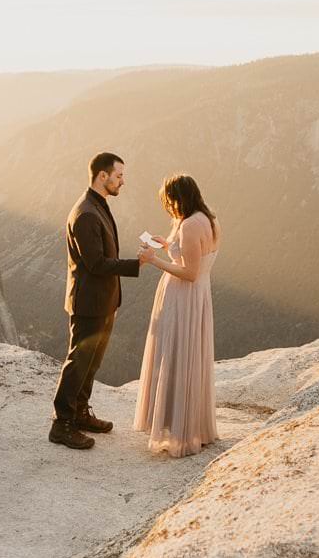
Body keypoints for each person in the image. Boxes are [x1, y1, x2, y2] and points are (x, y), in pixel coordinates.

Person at [50, 152, 156, 449]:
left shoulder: (97, 205)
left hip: (103, 301)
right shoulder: (86, 213)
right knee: (78, 362)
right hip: (88, 302)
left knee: (92, 362)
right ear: (102, 176)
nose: (123, 181)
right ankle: (61, 424)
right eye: (119, 176)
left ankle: (80, 413)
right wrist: (137, 263)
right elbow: (96, 264)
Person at [132, 173, 220, 457]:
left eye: (169, 201)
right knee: (189, 357)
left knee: (176, 357)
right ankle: (192, 425)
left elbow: (190, 272)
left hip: (183, 298)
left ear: (177, 198)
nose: (168, 207)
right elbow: (195, 258)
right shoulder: (208, 219)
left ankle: (178, 430)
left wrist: (153, 259)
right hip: (198, 298)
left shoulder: (190, 225)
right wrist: (169, 246)